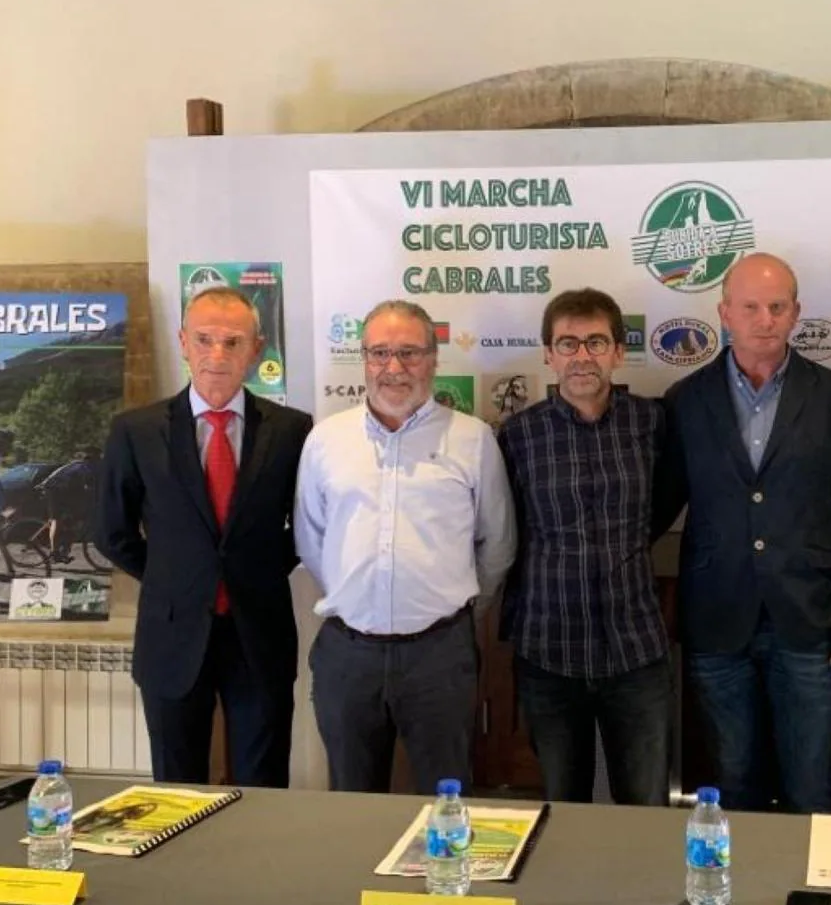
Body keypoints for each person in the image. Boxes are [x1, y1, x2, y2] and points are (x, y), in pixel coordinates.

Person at [658, 252, 831, 813]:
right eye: (751, 307)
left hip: (810, 618)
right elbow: (655, 507)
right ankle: (740, 901)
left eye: (777, 307)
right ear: (725, 313)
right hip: (717, 620)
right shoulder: (685, 401)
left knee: (811, 782)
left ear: (796, 314)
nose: (765, 319)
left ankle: (810, 900)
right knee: (734, 781)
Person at [295, 299, 516, 795]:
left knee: (448, 801)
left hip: (440, 656)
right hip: (348, 655)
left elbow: (497, 543)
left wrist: (452, 612)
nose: (394, 368)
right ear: (365, 360)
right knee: (351, 803)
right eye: (379, 353)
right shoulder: (326, 441)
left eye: (410, 353)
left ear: (434, 360)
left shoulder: (472, 440)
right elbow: (312, 541)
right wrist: (363, 598)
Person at [96, 287, 312, 787]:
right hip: (171, 634)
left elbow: (305, 527)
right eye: (205, 339)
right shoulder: (136, 430)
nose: (218, 355)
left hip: (258, 634)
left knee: (263, 786)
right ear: (183, 343)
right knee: (175, 786)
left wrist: (251, 574)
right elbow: (111, 529)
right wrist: (177, 577)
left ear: (256, 350)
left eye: (233, 342)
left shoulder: (292, 430)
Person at [498, 288, 671, 806]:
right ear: (548, 355)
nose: (582, 356)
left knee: (645, 807)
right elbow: (506, 531)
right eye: (567, 344)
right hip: (549, 650)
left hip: (635, 649)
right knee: (561, 802)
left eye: (596, 342)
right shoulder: (518, 436)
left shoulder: (654, 422)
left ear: (619, 351)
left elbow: (667, 504)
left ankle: (646, 891)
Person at [38, 447, 101, 562]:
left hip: (66, 491)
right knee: (57, 520)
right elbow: (90, 487)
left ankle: (64, 551)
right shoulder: (84, 467)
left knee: (74, 521)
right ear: (93, 458)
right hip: (53, 489)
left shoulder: (88, 466)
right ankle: (54, 553)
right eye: (99, 457)